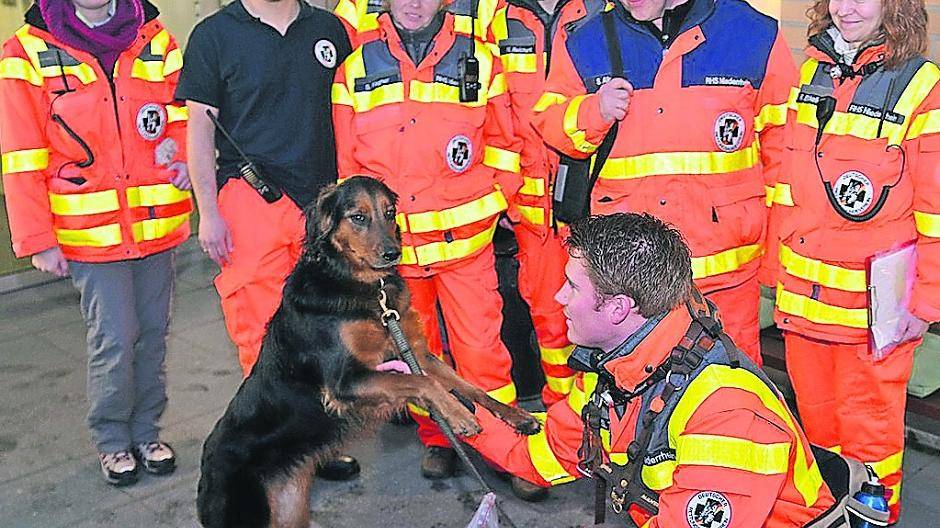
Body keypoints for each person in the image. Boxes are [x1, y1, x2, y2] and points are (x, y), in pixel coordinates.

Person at [464, 213, 837, 526]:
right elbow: (543, 454)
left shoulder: (726, 414)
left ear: (618, 308)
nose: (559, 297)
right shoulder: (613, 366)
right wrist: (452, 404)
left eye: (572, 287)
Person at [531, 0, 799, 364]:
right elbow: (550, 123)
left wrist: (777, 255)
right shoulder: (587, 39)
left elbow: (787, 152)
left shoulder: (754, 33)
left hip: (725, 271)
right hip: (631, 277)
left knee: (731, 386)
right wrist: (593, 111)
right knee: (628, 389)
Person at [0, 0, 192, 485]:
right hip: (88, 235)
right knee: (115, 340)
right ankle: (112, 440)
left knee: (152, 335)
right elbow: (20, 153)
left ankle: (147, 432)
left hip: (154, 224)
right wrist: (37, 238)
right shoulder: (25, 52)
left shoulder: (156, 39)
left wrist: (186, 156)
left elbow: (183, 114)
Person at [331, 0, 523, 480]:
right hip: (395, 260)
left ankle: (503, 449)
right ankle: (440, 439)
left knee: (484, 353)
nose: (413, 4)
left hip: (466, 249)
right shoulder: (355, 69)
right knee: (416, 354)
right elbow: (347, 171)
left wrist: (494, 201)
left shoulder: (480, 60)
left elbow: (504, 145)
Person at [766, 0, 940, 522]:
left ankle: (872, 521)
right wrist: (776, 274)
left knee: (871, 442)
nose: (846, 8)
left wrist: (926, 301)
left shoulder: (921, 85)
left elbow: (936, 205)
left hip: (872, 316)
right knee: (818, 438)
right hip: (803, 308)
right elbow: (784, 181)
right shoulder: (813, 71)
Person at [175, 0, 359, 481]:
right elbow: (200, 127)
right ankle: (278, 443)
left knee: (329, 330)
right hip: (249, 200)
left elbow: (356, 111)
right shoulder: (214, 35)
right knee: (259, 333)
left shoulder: (329, 29)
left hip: (324, 206)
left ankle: (321, 441)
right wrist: (208, 211)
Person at [491, 0, 578, 409]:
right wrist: (505, 194)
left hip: (591, 201)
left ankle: (611, 418)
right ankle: (564, 419)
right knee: (551, 320)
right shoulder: (496, 18)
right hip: (530, 207)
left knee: (611, 314)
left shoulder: (601, 11)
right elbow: (491, 117)